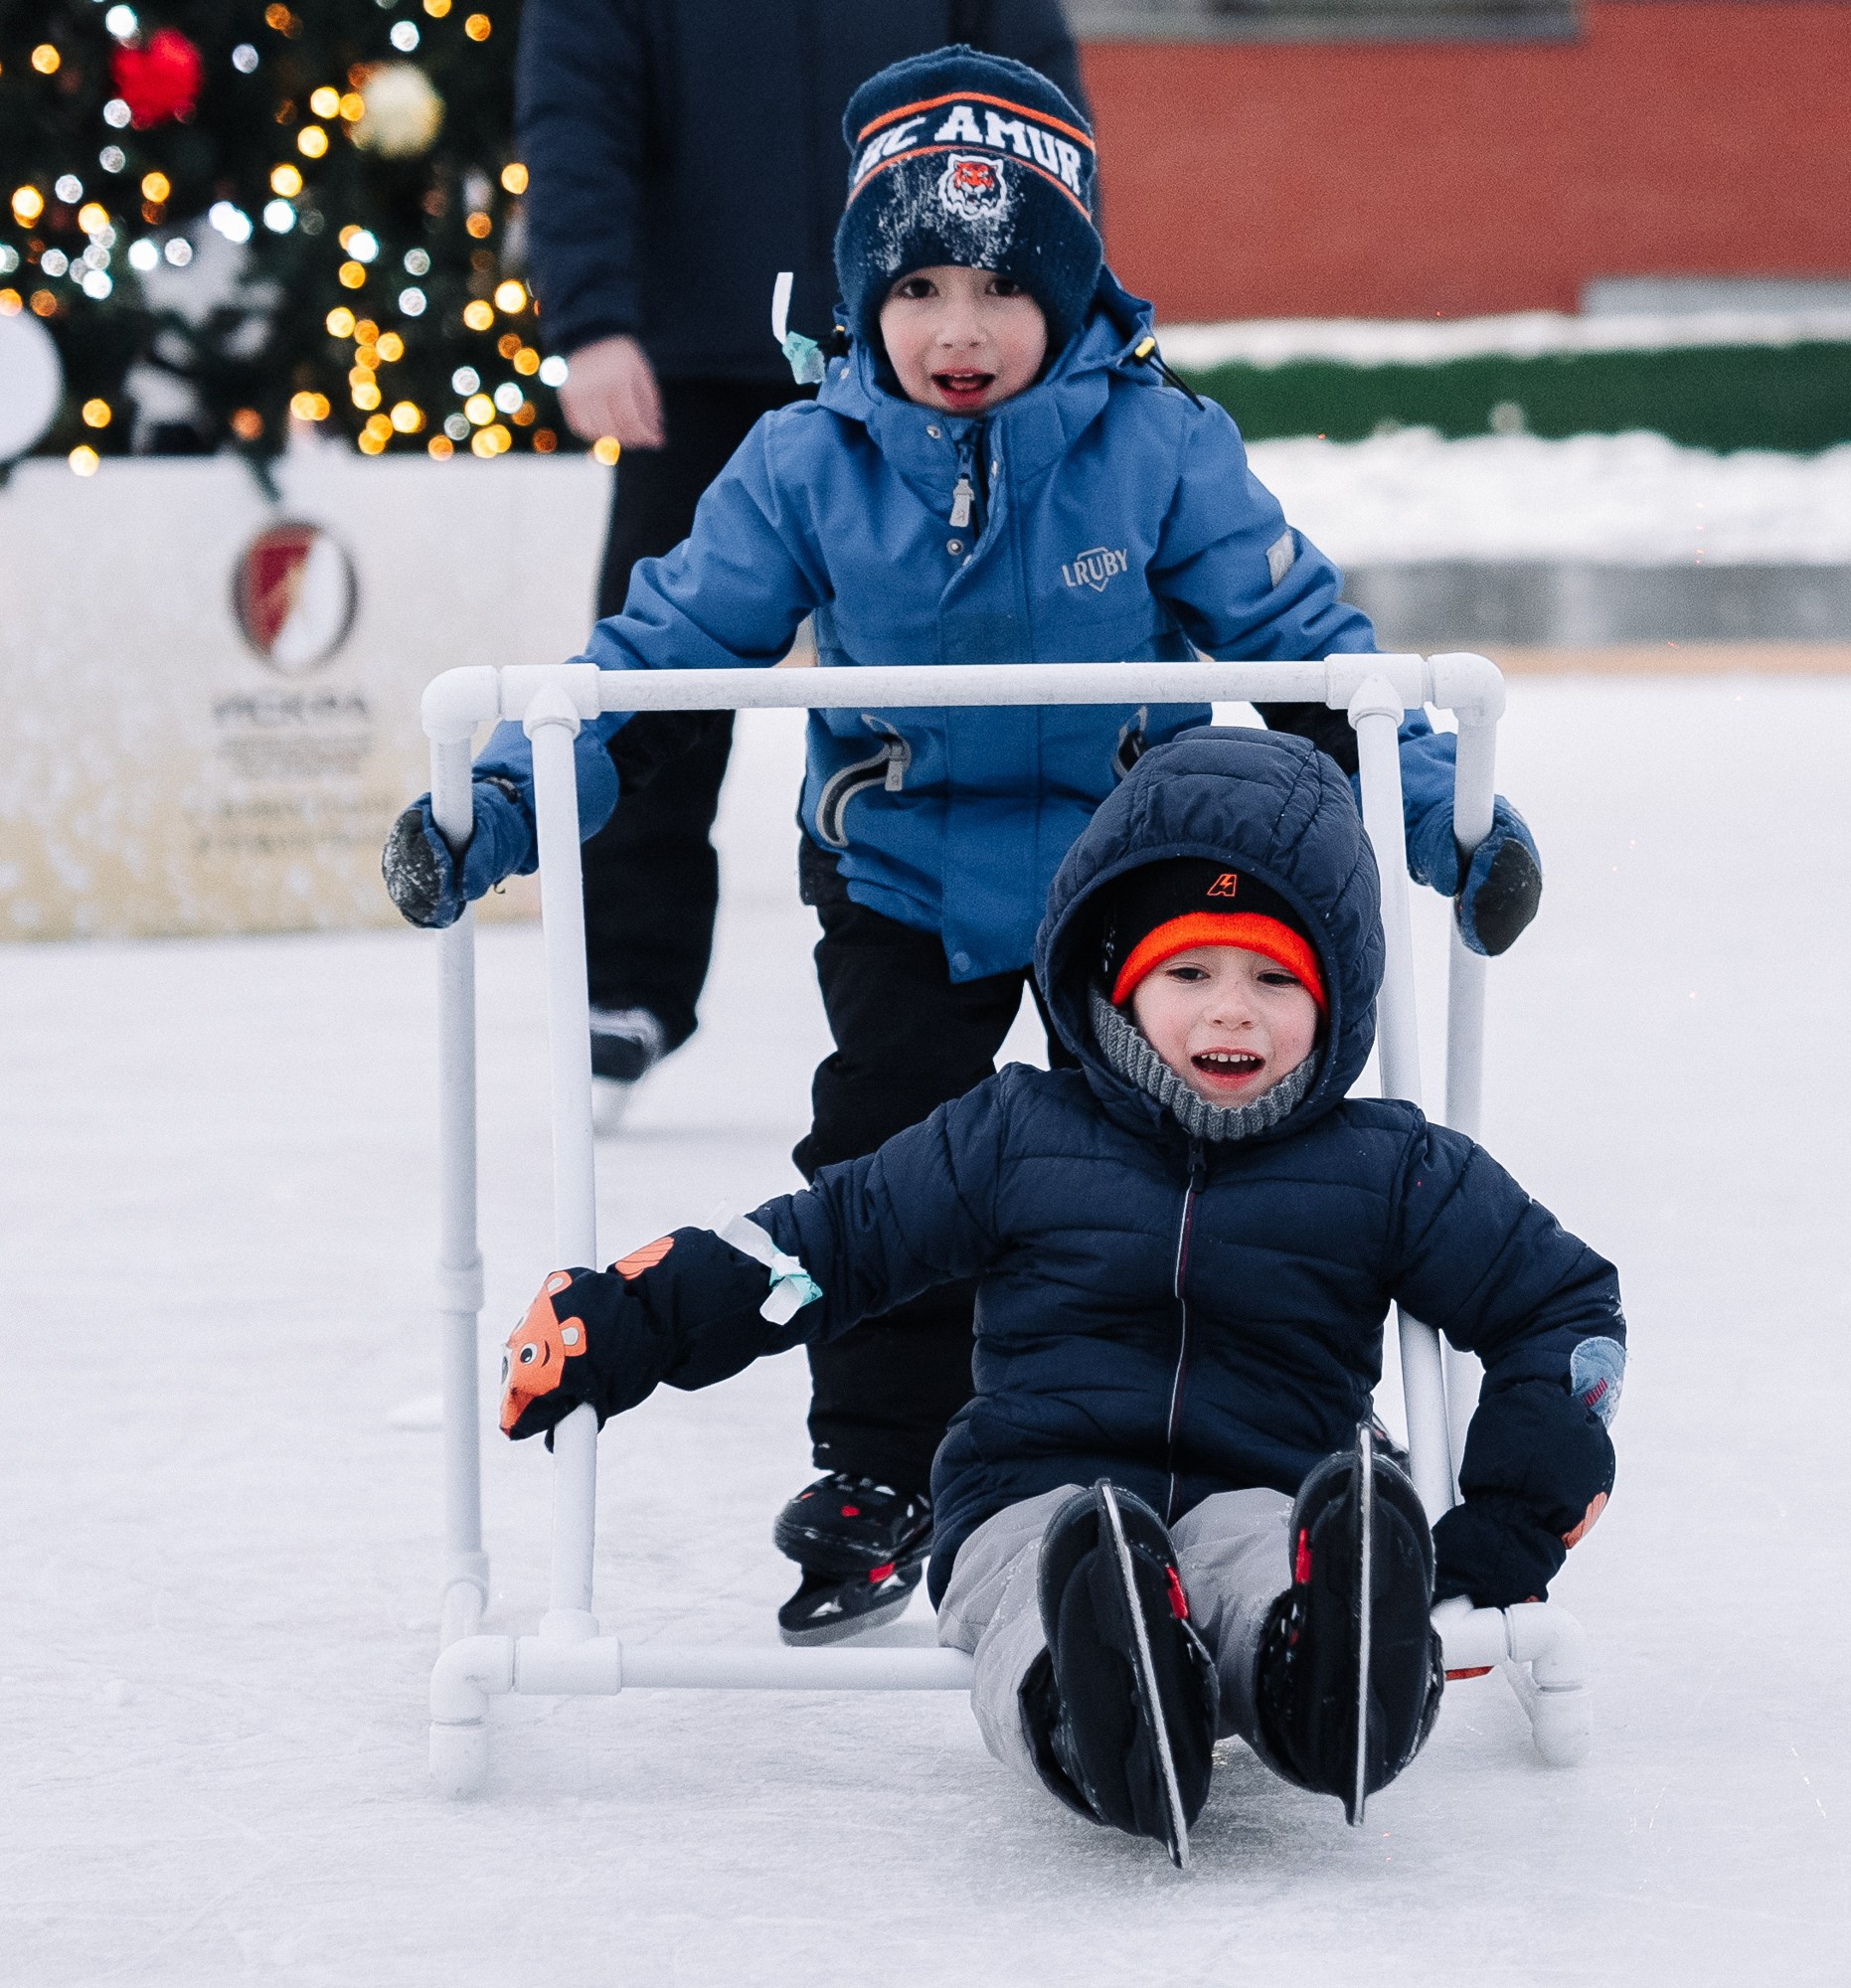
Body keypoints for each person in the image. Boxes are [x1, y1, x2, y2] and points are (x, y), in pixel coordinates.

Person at [382, 47, 1545, 1644]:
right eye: (917, 284)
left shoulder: (1161, 446)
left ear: (1069, 297)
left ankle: (1243, 1458)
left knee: (1156, 1165)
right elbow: (651, 660)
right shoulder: (805, 458)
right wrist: (508, 799)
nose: (958, 329)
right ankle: (877, 1469)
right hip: (901, 874)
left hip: (1117, 886)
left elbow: (1300, 648)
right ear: (865, 298)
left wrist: (1440, 815)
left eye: (1001, 289)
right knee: (885, 1164)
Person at [490, 727, 1625, 1860]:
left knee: (1263, 1554)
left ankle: (1329, 1678)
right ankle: (1090, 1703)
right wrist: (626, 1317)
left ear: (1336, 994)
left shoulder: (1389, 1165)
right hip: (1037, 1491)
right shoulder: (1014, 1132)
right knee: (1049, 1576)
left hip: (1266, 1482)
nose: (1232, 1011)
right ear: (1114, 982)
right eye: (1188, 972)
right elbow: (826, 1241)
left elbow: (1558, 1309)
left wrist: (1501, 1534)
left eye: (1274, 977)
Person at [514, 1, 1091, 1099]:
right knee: (665, 669)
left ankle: (1033, 972)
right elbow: (576, 111)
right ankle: (626, 981)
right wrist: (589, 315)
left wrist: (1058, 308)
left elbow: (1037, 101)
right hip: (696, 355)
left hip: (931, 346)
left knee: (995, 650)